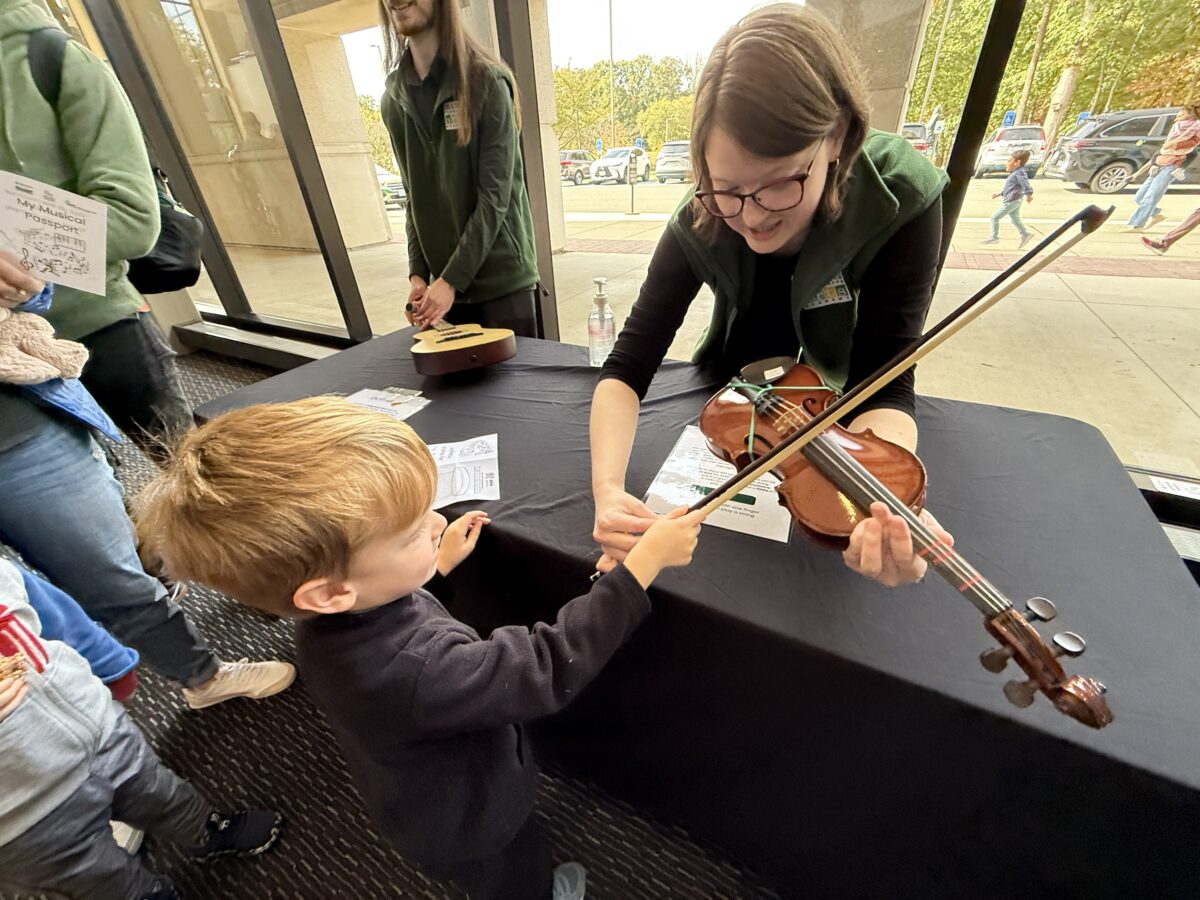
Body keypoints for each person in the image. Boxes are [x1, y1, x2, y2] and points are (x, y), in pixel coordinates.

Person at [137, 397, 706, 900]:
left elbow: (386, 617)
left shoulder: (327, 622)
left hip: (421, 794)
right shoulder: (414, 671)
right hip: (470, 820)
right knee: (511, 876)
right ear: (331, 591)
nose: (437, 523)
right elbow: (544, 665)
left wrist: (431, 569)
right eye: (413, 533)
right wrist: (635, 572)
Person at [589, 4, 954, 589]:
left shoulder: (902, 196)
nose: (751, 217)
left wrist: (881, 504)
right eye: (726, 190)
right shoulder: (703, 213)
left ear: (836, 136)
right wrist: (608, 491)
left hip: (837, 406)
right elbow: (628, 364)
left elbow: (886, 381)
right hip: (736, 409)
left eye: (780, 184)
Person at [0, 257, 297, 711]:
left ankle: (196, 665)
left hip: (21, 427)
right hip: (22, 437)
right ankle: (184, 672)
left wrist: (26, 288)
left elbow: (32, 301)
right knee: (74, 594)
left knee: (112, 571)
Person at [0, 559, 284, 900]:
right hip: (24, 815)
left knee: (161, 793)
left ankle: (206, 831)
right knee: (98, 879)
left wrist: (107, 661)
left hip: (99, 731)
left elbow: (53, 615)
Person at [0, 2, 192, 461]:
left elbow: (131, 222)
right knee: (97, 518)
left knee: (202, 484)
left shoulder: (47, 56)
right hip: (10, 365)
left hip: (98, 324)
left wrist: (12, 250)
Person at [379, 0, 541, 337]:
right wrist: (419, 276)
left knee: (513, 390)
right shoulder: (393, 100)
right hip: (444, 290)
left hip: (502, 285)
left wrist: (450, 280)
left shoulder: (487, 83)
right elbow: (414, 198)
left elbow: (495, 198)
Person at [1124, 102, 1200, 232]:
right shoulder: (1177, 127)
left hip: (1172, 165)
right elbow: (1158, 153)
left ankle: (1137, 225)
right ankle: (1156, 214)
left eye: (1183, 113)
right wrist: (1136, 174)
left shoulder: (1195, 128)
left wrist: (1176, 146)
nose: (1179, 115)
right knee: (1140, 196)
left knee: (1150, 197)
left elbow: (1193, 147)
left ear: (1190, 115)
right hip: (1160, 163)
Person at [981, 150, 1034, 248]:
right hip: (1015, 199)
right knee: (1015, 219)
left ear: (1017, 162)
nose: (1007, 163)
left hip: (1012, 200)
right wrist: (1000, 193)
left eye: (1009, 161)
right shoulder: (1016, 173)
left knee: (995, 218)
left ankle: (994, 237)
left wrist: (1029, 194)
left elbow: (1025, 183)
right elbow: (1011, 188)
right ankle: (1025, 234)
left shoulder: (1019, 173)